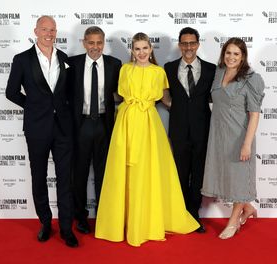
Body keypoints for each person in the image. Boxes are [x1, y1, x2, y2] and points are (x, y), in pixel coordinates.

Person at [95, 32, 199, 247]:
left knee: (148, 171)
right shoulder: (125, 70)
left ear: (151, 50)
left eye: (145, 48)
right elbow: (117, 96)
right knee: (124, 172)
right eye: (137, 49)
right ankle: (120, 222)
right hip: (126, 122)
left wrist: (190, 112)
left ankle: (146, 222)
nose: (141, 52)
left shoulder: (159, 72)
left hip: (149, 125)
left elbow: (167, 100)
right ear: (132, 51)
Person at [5, 15, 78, 247]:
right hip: (36, 127)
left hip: (63, 128)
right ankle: (45, 223)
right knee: (39, 176)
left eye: (53, 29)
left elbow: (68, 93)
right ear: (36, 31)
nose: (49, 33)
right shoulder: (22, 59)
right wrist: (35, 107)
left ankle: (66, 228)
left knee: (65, 179)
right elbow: (11, 92)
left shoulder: (65, 59)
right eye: (45, 29)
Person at [201, 37, 264, 239]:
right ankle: (247, 207)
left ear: (243, 56)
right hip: (218, 136)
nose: (231, 57)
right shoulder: (218, 72)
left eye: (236, 54)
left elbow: (254, 114)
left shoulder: (251, 79)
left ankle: (233, 221)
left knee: (237, 179)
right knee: (226, 177)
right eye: (228, 53)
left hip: (239, 137)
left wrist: (247, 144)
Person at [67, 26, 121, 234]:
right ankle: (80, 217)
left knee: (104, 174)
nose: (95, 47)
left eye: (99, 43)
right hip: (80, 124)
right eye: (91, 42)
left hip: (105, 125)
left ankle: (103, 216)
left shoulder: (114, 64)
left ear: (103, 43)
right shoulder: (72, 64)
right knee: (78, 174)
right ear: (84, 43)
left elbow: (121, 93)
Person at [164, 27, 216, 232]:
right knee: (180, 173)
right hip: (178, 131)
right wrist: (177, 109)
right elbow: (164, 96)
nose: (188, 47)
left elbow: (216, 97)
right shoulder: (168, 68)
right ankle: (181, 212)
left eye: (192, 43)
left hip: (203, 130)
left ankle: (194, 215)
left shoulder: (212, 69)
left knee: (199, 173)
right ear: (179, 45)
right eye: (184, 43)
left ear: (197, 44)